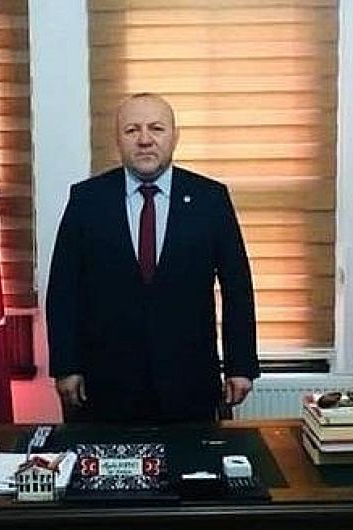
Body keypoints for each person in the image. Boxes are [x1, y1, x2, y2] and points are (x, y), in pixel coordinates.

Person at [46, 93, 259, 423]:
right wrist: (66, 365)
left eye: (156, 128)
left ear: (175, 136)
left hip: (189, 380)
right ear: (118, 139)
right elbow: (63, 290)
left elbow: (237, 288)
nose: (144, 140)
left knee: (192, 458)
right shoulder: (87, 200)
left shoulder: (210, 199)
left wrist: (240, 365)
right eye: (132, 130)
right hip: (106, 383)